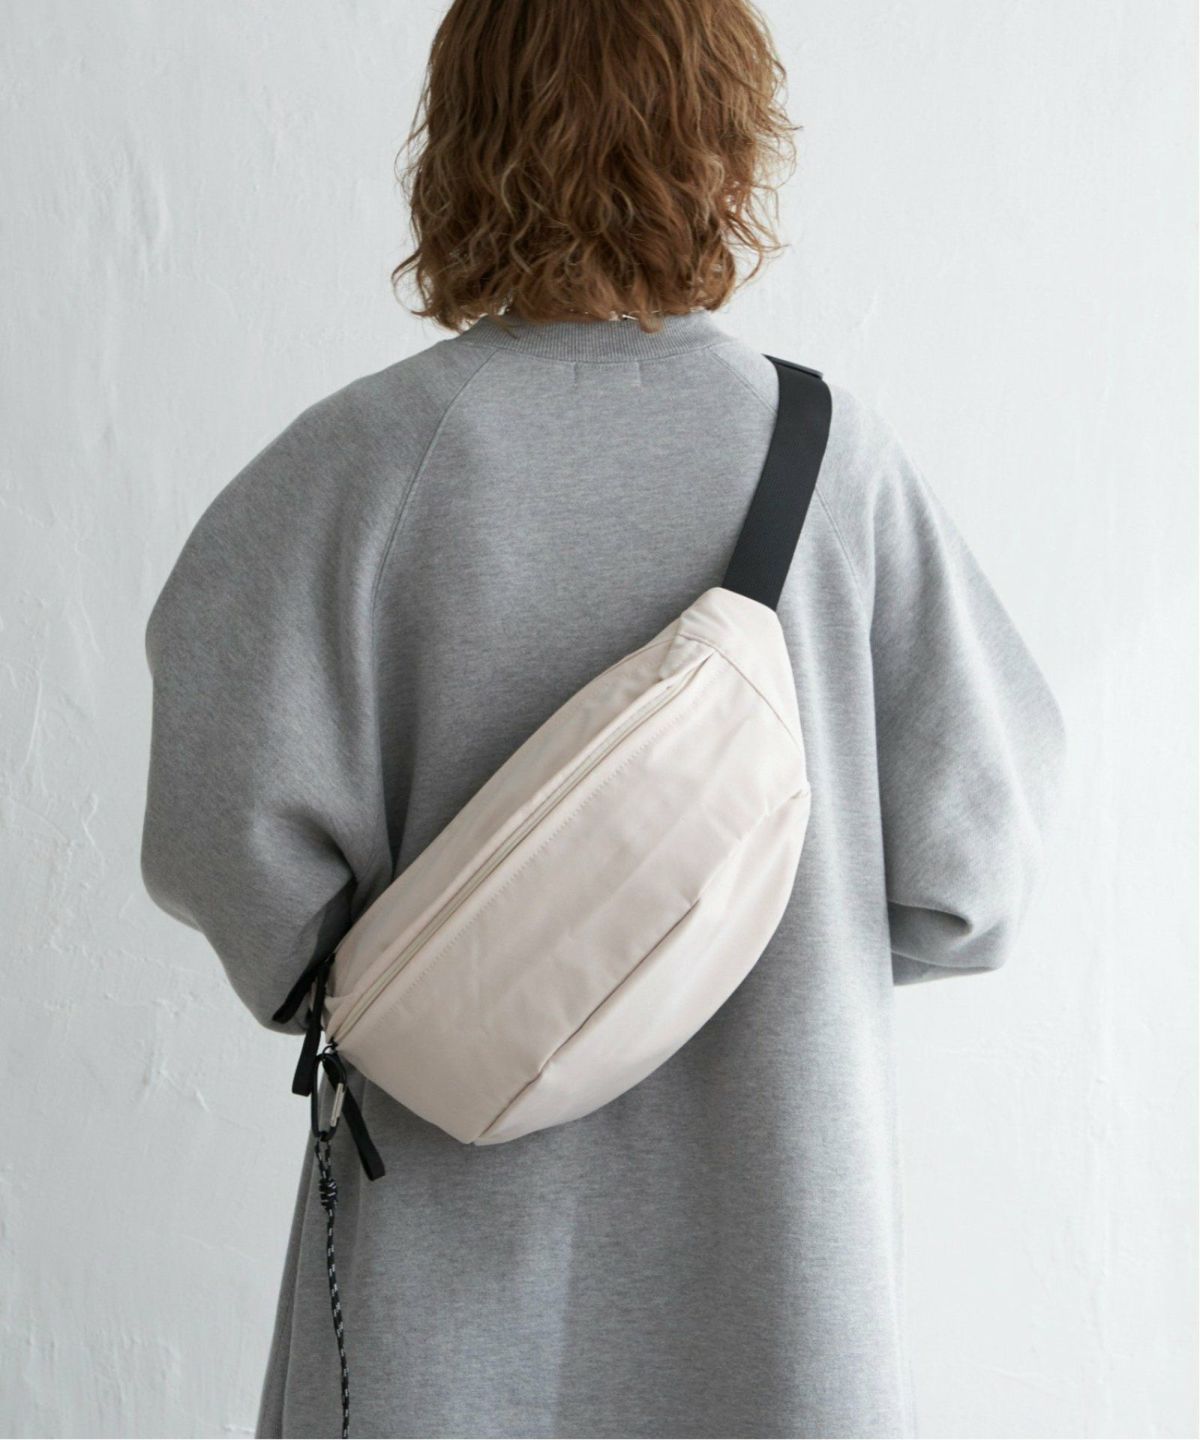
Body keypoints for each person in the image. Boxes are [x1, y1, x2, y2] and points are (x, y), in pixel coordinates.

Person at [139, 1, 1067, 1436]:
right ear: (726, 139)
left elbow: (232, 855)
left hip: (432, 1320)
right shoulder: (840, 476)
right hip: (777, 1300)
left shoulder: (353, 471)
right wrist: (732, 933)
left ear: (464, 137)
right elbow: (975, 879)